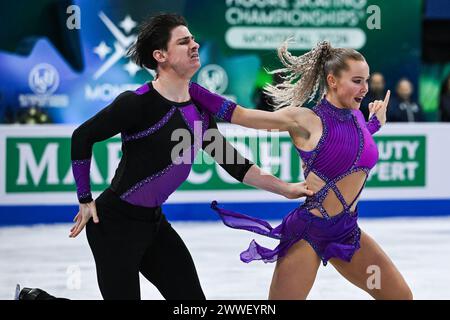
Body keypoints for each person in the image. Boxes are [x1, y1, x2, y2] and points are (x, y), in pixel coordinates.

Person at [18, 13, 312, 300]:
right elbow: (82, 137)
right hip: (114, 226)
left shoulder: (199, 106)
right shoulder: (135, 104)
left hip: (155, 225)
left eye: (193, 39)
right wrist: (84, 199)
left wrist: (286, 189)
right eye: (184, 42)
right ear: (160, 55)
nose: (195, 45)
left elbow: (234, 163)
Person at [191, 41, 413, 300]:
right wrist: (187, 87)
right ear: (332, 80)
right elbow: (239, 115)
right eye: (356, 80)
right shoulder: (305, 120)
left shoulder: (357, 117)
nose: (365, 88)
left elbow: (352, 147)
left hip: (346, 231)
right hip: (309, 232)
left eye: (366, 80)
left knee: (400, 297)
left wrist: (375, 122)